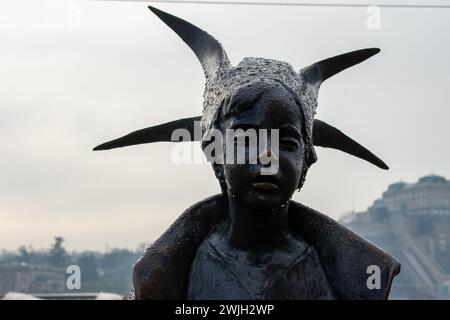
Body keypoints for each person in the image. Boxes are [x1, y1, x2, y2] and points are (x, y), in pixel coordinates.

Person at [94, 6, 400, 300]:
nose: (267, 157)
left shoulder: (355, 278)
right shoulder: (165, 277)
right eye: (246, 140)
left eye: (287, 143)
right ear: (215, 153)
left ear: (306, 162)